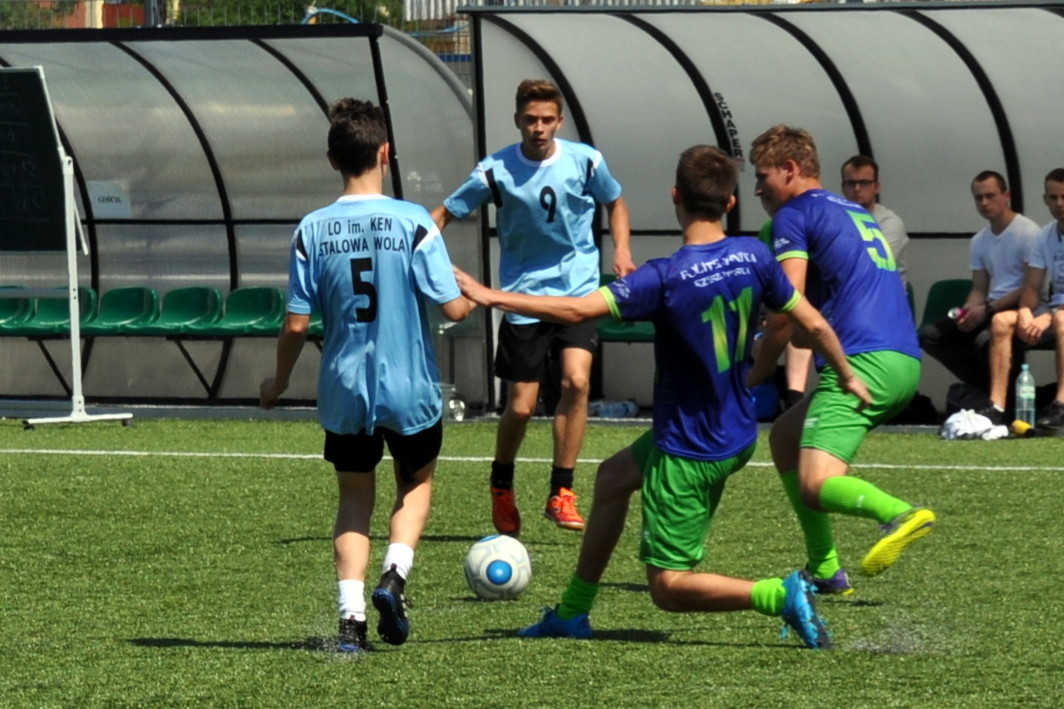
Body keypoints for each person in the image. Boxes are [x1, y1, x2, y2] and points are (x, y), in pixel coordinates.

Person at [457, 145, 871, 649]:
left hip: (690, 448)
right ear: (730, 203)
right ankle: (571, 613)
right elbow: (814, 322)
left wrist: (491, 295)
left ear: (676, 196)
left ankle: (778, 594)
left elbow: (577, 311)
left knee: (668, 588)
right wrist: (847, 375)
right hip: (735, 429)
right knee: (612, 479)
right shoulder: (755, 255)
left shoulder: (666, 277)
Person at [259, 98, 473, 653]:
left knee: (354, 498)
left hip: (345, 389)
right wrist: (469, 294)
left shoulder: (312, 230)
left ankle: (350, 624)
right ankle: (394, 578)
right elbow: (453, 309)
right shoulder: (415, 221)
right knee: (415, 484)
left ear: (333, 160)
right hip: (409, 387)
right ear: (385, 152)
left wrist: (277, 383)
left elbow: (296, 324)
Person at [431, 79, 634, 536]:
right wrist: (421, 254)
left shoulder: (586, 161)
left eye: (546, 120)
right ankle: (501, 484)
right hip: (523, 298)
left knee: (576, 381)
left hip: (577, 293)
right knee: (521, 407)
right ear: (517, 120)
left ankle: (562, 491)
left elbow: (616, 202)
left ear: (559, 121)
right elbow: (443, 215)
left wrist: (621, 249)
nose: (538, 128)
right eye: (530, 120)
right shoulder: (495, 171)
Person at [747, 125, 934, 591]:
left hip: (863, 363)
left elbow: (786, 308)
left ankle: (899, 514)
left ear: (790, 169)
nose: (757, 189)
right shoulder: (850, 210)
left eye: (762, 176)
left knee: (815, 484)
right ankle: (825, 568)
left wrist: (755, 373)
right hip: (903, 359)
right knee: (785, 438)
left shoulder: (793, 215)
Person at [919, 171, 1041, 401]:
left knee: (984, 340)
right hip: (991, 307)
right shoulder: (979, 240)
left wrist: (987, 309)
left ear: (1006, 196)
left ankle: (999, 397)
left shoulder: (1029, 232)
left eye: (990, 196)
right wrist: (967, 311)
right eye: (979, 198)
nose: (984, 203)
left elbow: (1031, 287)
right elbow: (978, 289)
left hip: (1024, 308)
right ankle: (993, 392)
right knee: (931, 335)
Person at [985, 168, 1064, 432]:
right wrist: (1026, 312)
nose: (1059, 203)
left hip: (1059, 314)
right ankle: (997, 406)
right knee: (1001, 321)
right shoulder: (1045, 235)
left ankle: (1061, 404)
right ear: (1045, 199)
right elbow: (1031, 286)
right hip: (1054, 310)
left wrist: (1048, 315)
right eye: (1053, 197)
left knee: (1061, 319)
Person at [840, 155, 910, 286]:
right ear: (843, 187)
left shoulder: (890, 223)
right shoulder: (835, 219)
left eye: (864, 183)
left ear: (876, 187)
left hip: (884, 295)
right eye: (851, 183)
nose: (857, 189)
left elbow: (874, 266)